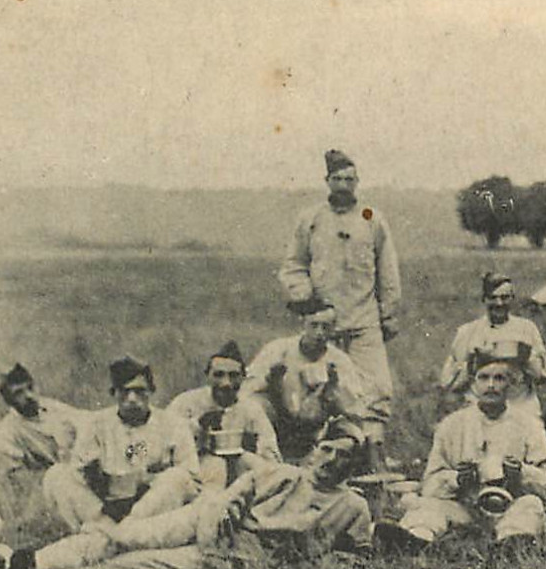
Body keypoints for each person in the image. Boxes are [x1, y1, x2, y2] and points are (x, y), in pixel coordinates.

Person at [0, 420, 374, 569]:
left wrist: (315, 558)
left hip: (231, 557)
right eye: (327, 449)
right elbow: (238, 489)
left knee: (127, 567)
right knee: (122, 534)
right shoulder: (282, 473)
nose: (330, 460)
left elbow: (358, 557)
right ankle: (35, 561)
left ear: (353, 466)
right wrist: (228, 504)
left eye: (342, 456)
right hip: (203, 520)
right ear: (315, 449)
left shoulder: (351, 506)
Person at [376, 343, 546, 553]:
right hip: (465, 509)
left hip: (510, 507)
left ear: (511, 383)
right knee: (427, 507)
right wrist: (457, 479)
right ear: (473, 384)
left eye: (499, 378)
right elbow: (429, 484)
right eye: (483, 378)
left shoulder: (528, 425)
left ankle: (510, 544)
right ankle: (415, 540)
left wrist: (521, 473)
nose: (491, 385)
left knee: (531, 505)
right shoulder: (452, 425)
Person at [278, 148, 402, 417]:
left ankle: (373, 452)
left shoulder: (371, 218)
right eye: (337, 179)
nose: (343, 185)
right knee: (322, 388)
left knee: (376, 389)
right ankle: (331, 450)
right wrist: (307, 300)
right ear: (327, 181)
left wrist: (388, 315)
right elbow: (293, 265)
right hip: (324, 325)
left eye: (349, 180)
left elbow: (387, 271)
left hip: (363, 323)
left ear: (357, 183)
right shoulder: (310, 219)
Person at [41, 357, 201, 533]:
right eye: (124, 392)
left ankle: (120, 533)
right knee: (57, 475)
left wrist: (150, 483)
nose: (132, 399)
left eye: (139, 391)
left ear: (151, 391)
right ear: (113, 393)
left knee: (176, 478)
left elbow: (190, 477)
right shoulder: (96, 425)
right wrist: (96, 485)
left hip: (153, 507)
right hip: (106, 509)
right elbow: (79, 472)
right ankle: (107, 531)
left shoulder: (173, 424)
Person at [243, 302, 385, 462]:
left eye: (325, 327)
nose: (319, 333)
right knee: (255, 405)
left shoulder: (339, 361)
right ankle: (270, 461)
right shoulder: (278, 350)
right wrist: (271, 381)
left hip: (317, 430)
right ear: (303, 324)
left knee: (353, 433)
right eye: (314, 326)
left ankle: (321, 463)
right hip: (278, 424)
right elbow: (246, 392)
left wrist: (334, 390)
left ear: (333, 330)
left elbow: (356, 410)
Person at [165, 340, 281, 487]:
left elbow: (271, 455)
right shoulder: (186, 403)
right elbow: (163, 442)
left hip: (239, 472)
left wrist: (252, 445)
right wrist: (198, 426)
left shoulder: (251, 409)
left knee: (258, 467)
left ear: (243, 378)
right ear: (207, 376)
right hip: (198, 471)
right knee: (215, 467)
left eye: (233, 376)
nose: (226, 383)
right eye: (218, 375)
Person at [439, 272, 546, 418]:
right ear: (484, 299)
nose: (499, 303)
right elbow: (449, 385)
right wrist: (474, 361)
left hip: (520, 405)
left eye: (505, 297)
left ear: (512, 299)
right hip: (479, 407)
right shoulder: (467, 332)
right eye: (493, 298)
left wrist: (526, 359)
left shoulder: (527, 329)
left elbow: (543, 377)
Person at [0, 363, 91, 485]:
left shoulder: (51, 407)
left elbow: (87, 420)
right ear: (8, 400)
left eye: (30, 388)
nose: (28, 396)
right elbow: (12, 478)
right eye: (19, 393)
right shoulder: (7, 432)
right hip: (50, 484)